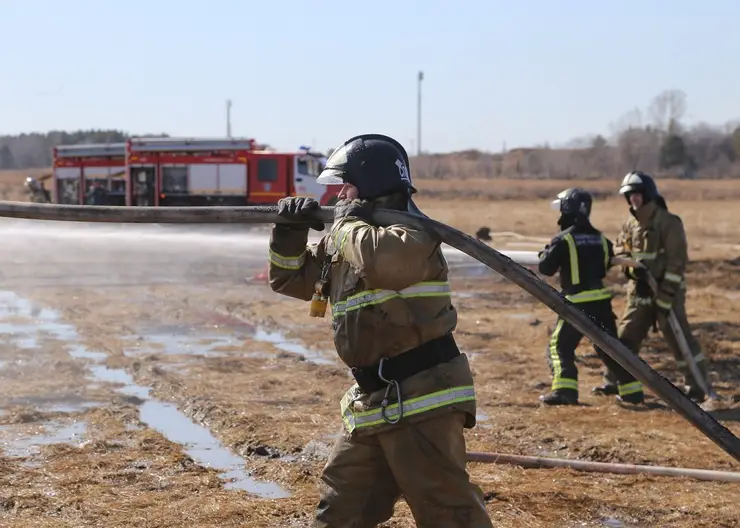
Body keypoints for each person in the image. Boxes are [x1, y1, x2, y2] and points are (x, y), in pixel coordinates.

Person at [268, 133, 492, 528]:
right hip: (373, 401)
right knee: (341, 510)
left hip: (425, 398)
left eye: (345, 186)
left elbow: (381, 262)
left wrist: (344, 223)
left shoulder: (413, 235)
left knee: (447, 513)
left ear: (368, 185)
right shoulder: (349, 237)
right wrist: (288, 231)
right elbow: (291, 280)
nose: (338, 196)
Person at [593, 171, 710, 402]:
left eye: (637, 194)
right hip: (639, 292)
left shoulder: (668, 222)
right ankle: (614, 380)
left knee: (680, 341)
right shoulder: (629, 224)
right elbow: (619, 251)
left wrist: (666, 297)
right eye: (630, 195)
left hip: (667, 292)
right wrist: (632, 270)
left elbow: (677, 263)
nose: (634, 199)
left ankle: (698, 387)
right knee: (626, 338)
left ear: (648, 194)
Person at [537, 188, 645, 406]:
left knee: (559, 348)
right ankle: (632, 392)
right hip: (602, 304)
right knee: (611, 349)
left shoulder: (563, 239)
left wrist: (545, 253)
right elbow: (606, 263)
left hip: (576, 305)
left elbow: (546, 268)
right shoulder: (601, 239)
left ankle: (564, 391)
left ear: (568, 209)